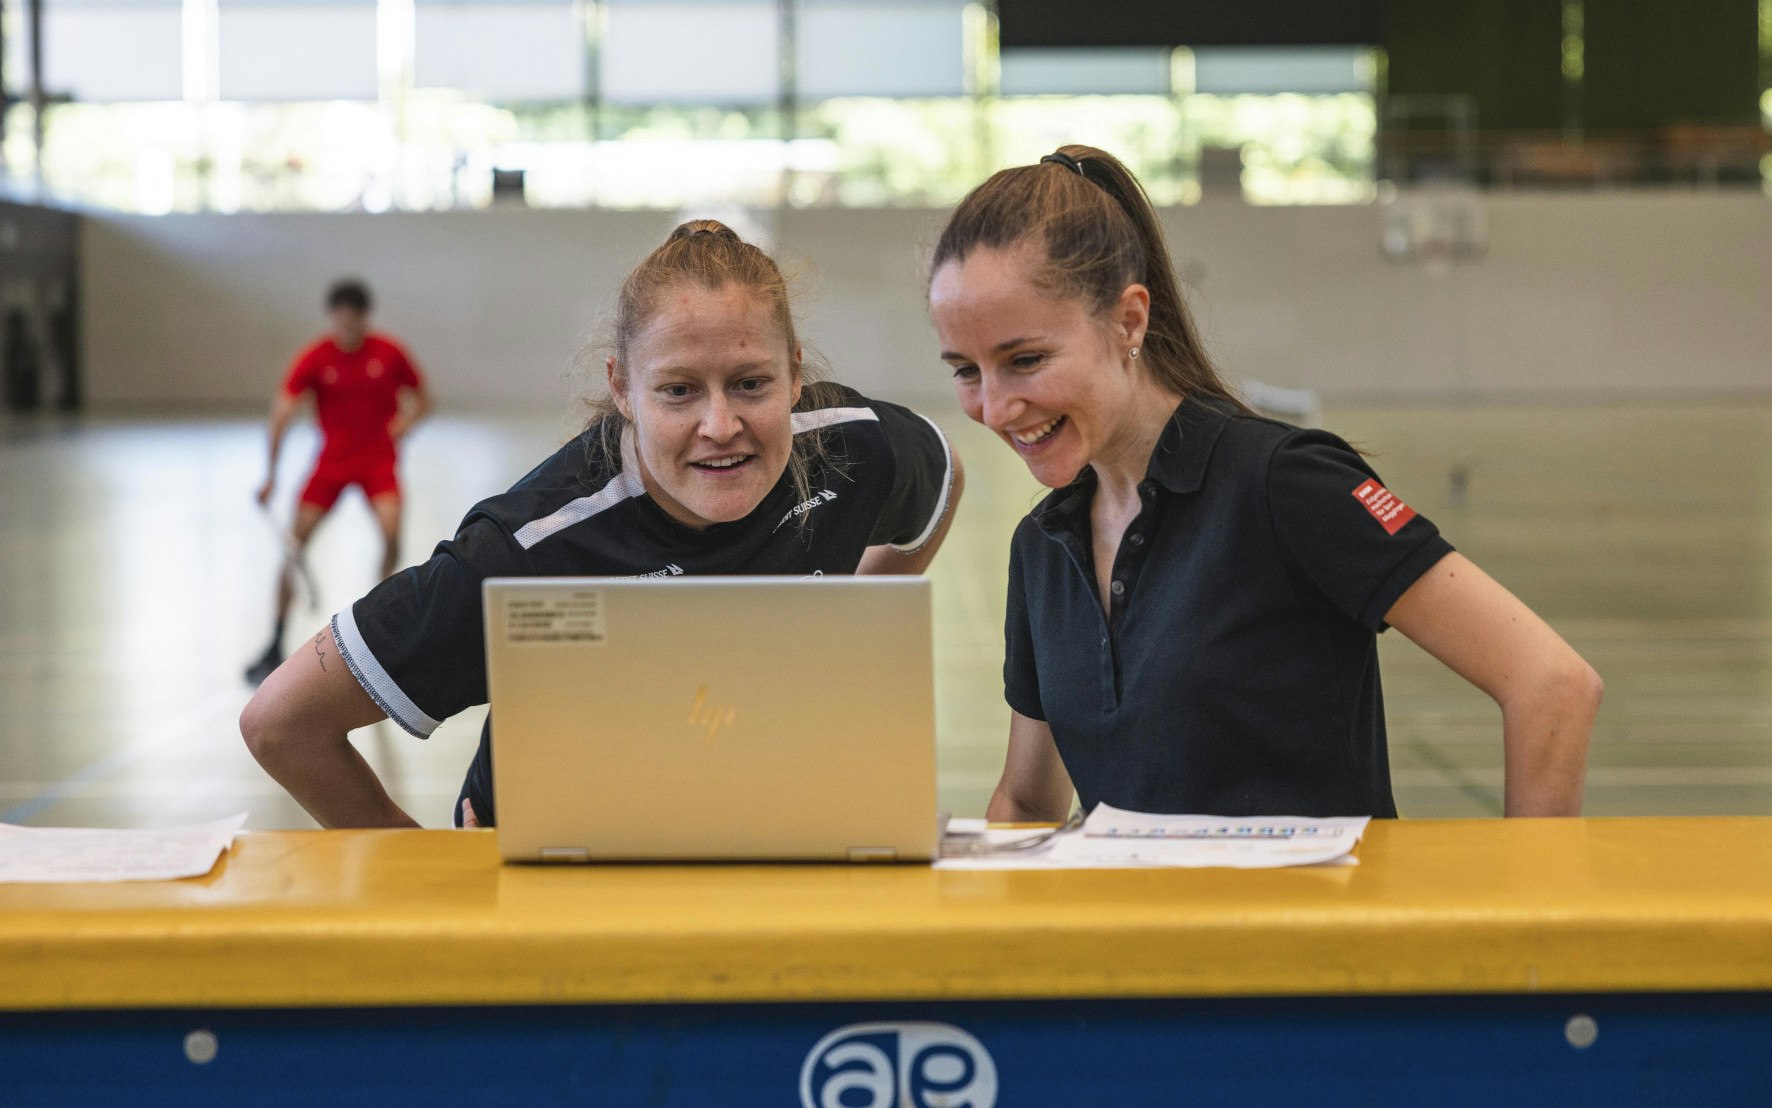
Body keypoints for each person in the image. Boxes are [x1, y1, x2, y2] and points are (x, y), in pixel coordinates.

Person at [926, 145, 1600, 822]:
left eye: (1025, 359)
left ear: (1129, 320)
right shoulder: (1044, 545)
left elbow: (1552, 683)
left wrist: (1534, 913)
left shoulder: (1286, 484)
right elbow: (1026, 798)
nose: (995, 406)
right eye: (965, 371)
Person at [239, 221, 962, 829]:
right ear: (621, 387)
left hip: (744, 828)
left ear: (795, 373)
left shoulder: (850, 447)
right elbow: (281, 724)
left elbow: (943, 475)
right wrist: (429, 873)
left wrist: (846, 616)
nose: (721, 425)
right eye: (678, 390)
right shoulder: (526, 549)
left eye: (751, 383)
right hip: (559, 878)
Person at [245, 279, 432, 684]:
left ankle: (383, 630)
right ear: (332, 317)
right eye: (340, 318)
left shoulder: (389, 352)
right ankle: (274, 641)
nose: (347, 326)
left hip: (377, 461)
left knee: (391, 535)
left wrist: (404, 424)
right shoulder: (316, 357)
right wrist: (270, 476)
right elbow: (282, 411)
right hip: (331, 464)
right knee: (293, 548)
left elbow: (423, 398)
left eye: (354, 319)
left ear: (365, 318)